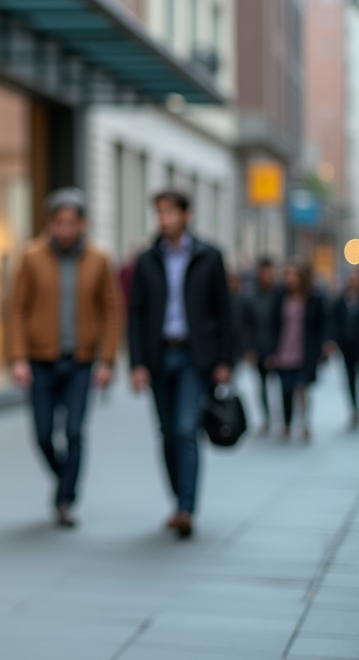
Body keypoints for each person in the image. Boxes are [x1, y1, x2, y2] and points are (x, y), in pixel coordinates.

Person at [8, 187, 119, 528]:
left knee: (74, 431)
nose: (65, 229)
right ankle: (64, 479)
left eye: (71, 222)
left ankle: (66, 499)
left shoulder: (99, 260)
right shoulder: (32, 256)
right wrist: (18, 357)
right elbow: (17, 308)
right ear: (50, 223)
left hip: (81, 362)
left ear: (83, 224)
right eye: (59, 222)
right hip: (40, 360)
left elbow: (111, 310)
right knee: (43, 434)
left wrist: (107, 360)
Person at [128, 189, 231, 539]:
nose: (163, 218)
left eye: (170, 211)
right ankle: (178, 500)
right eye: (159, 212)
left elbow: (224, 311)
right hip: (159, 358)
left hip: (194, 357)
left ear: (187, 215)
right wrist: (138, 363)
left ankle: (186, 508)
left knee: (186, 429)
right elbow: (137, 315)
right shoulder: (147, 260)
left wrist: (224, 360)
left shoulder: (210, 256)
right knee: (168, 433)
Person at [267, 262, 326, 441]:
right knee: (285, 389)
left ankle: (305, 423)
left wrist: (322, 348)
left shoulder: (314, 297)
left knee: (302, 387)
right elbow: (273, 325)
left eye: (294, 275)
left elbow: (321, 325)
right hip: (285, 348)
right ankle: (286, 424)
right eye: (288, 275)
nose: (290, 279)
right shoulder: (281, 296)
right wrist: (271, 351)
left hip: (305, 350)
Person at [240, 257, 281, 433]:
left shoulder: (281, 295)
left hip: (280, 348)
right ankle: (267, 417)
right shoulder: (250, 296)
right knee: (262, 385)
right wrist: (249, 349)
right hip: (259, 347)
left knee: (285, 386)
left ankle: (284, 417)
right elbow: (245, 325)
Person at [329, 268, 359, 430]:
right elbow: (335, 320)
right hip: (347, 346)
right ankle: (354, 409)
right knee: (350, 378)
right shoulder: (343, 300)